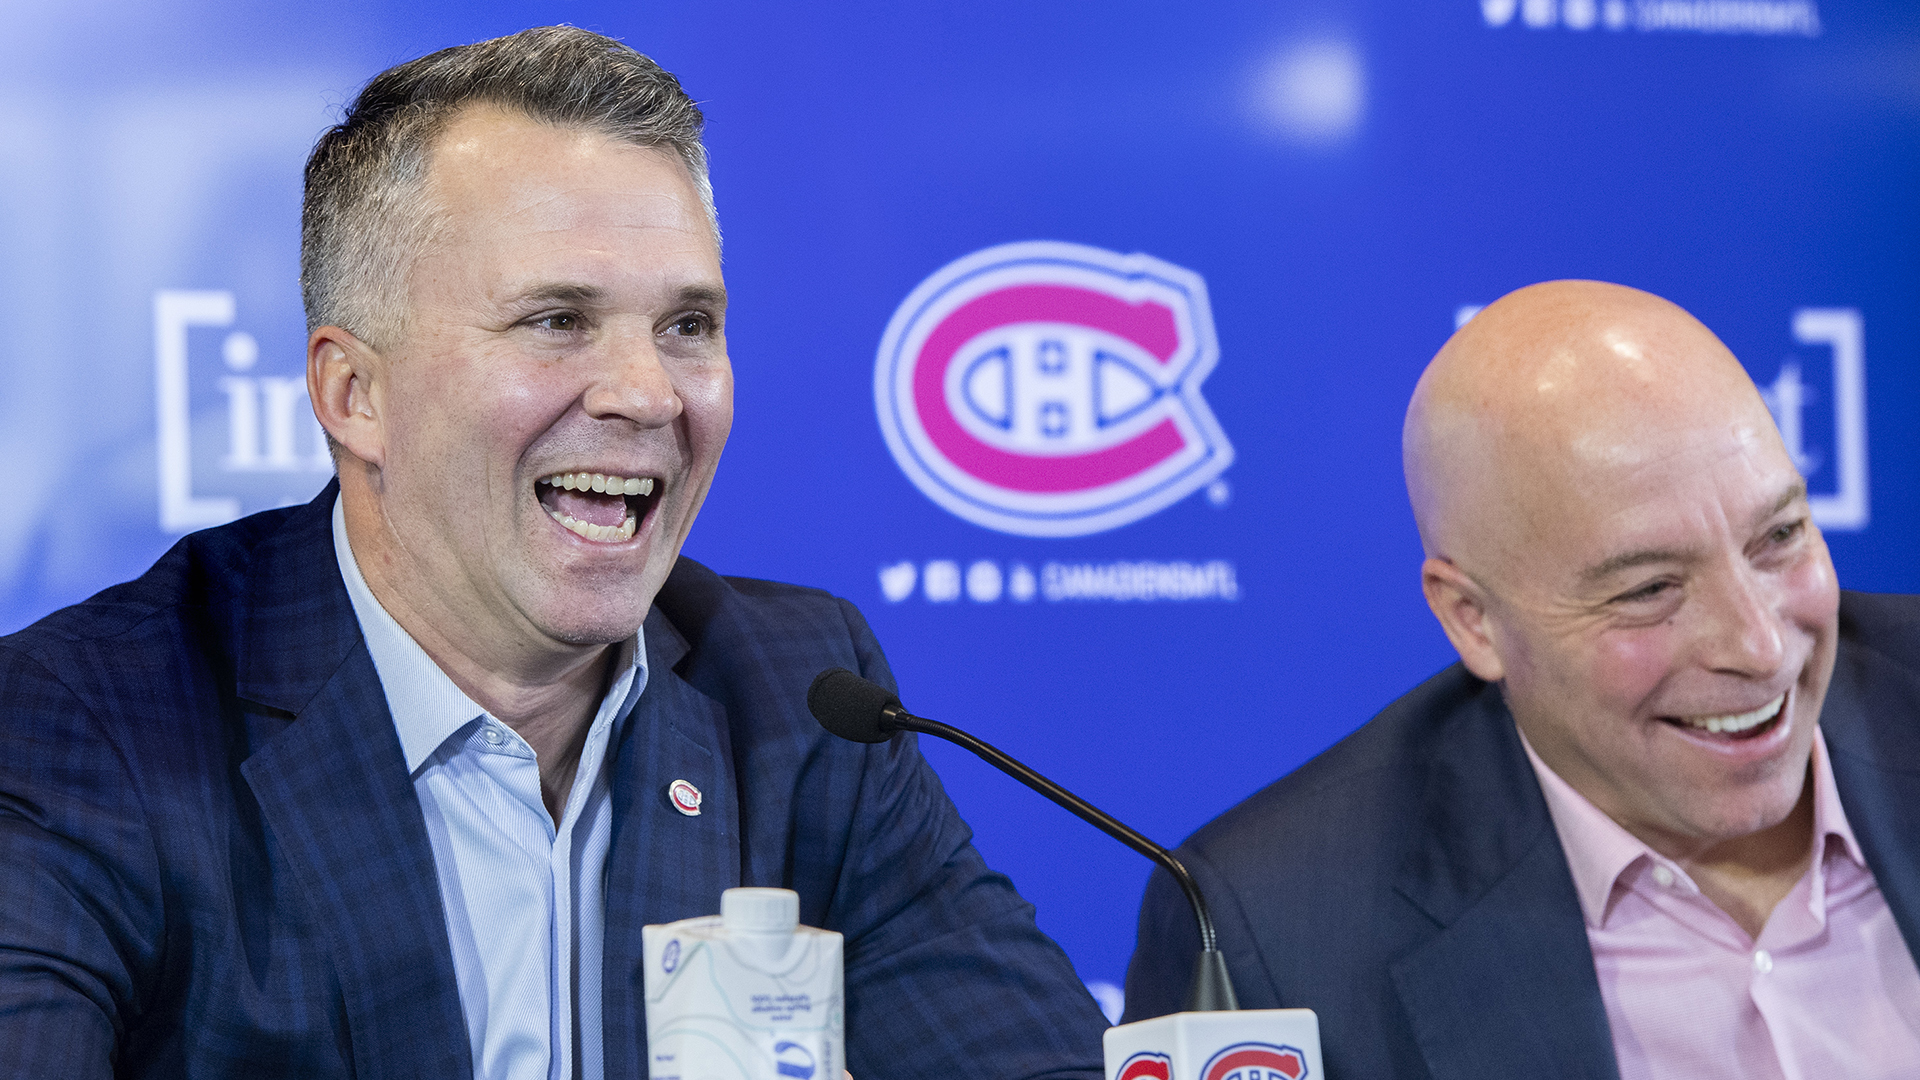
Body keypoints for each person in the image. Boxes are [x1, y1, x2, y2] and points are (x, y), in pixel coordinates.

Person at [0, 27, 1108, 1079]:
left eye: (688, 325)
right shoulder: (88, 725)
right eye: (557, 320)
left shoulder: (794, 694)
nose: (647, 393)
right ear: (355, 393)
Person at [1123, 280, 1920, 1079]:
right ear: (1473, 618)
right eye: (1649, 590)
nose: (1757, 644)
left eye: (1779, 535)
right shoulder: (1273, 937)